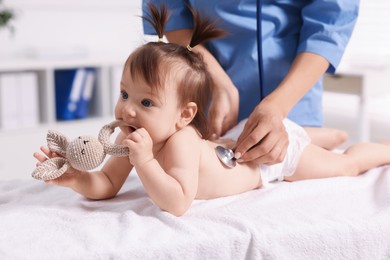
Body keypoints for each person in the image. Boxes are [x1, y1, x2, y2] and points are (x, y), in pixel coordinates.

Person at [33, 4, 387, 217]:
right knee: (313, 139)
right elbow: (108, 183)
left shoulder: (182, 141)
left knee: (345, 163)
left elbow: (177, 202)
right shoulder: (135, 139)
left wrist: (145, 162)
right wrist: (78, 180)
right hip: (238, 137)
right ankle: (325, 135)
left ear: (184, 115)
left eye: (145, 102)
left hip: (272, 162)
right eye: (124, 93)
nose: (126, 110)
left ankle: (379, 148)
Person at [142, 0, 359, 165]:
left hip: (293, 100)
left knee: (321, 158)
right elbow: (172, 14)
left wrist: (278, 106)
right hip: (211, 105)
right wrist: (214, 79)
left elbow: (329, 27)